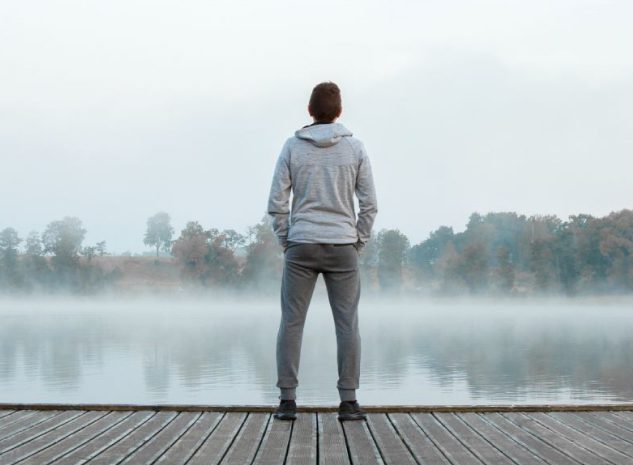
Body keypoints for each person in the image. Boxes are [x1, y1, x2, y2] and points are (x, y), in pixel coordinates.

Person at [267, 81, 378, 421]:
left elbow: (277, 203)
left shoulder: (292, 147)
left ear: (310, 111)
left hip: (301, 245)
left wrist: (288, 240)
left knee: (291, 322)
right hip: (342, 246)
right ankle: (349, 403)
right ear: (339, 112)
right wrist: (357, 241)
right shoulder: (355, 149)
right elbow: (370, 204)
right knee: (347, 325)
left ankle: (287, 402)